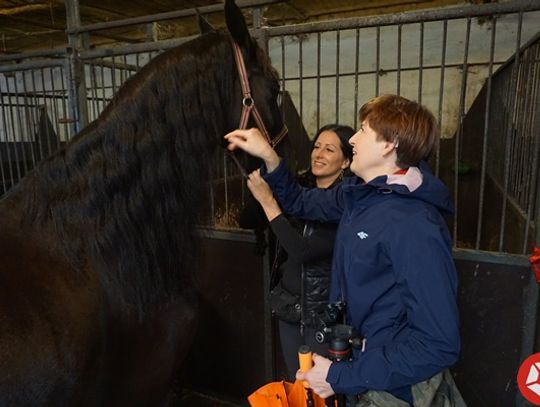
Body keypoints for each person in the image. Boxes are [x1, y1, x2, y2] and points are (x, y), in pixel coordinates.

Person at [225, 95, 464, 406]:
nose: (353, 138)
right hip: (360, 372)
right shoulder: (361, 197)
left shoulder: (415, 225)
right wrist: (270, 157)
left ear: (389, 144)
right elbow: (300, 201)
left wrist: (341, 377)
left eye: (363, 130)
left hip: (392, 391)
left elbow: (438, 344)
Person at [246, 124, 354, 381]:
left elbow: (302, 250)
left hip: (320, 317)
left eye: (329, 149)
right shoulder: (300, 191)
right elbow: (246, 218)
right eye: (316, 146)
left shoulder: (344, 204)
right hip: (290, 308)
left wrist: (269, 203)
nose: (318, 154)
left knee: (318, 389)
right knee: (297, 385)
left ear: (346, 161)